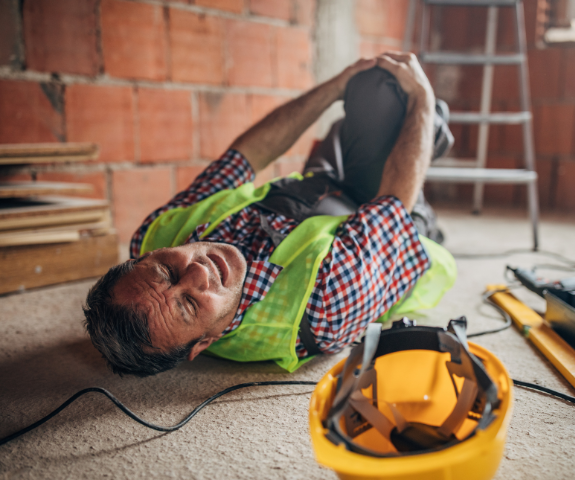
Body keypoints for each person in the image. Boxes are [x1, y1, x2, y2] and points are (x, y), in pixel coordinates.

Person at [83, 52, 456, 377]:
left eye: (167, 271)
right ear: (204, 344)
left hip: (313, 190)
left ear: (145, 257)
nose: (199, 271)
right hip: (384, 219)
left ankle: (401, 128)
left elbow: (243, 159)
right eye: (189, 303)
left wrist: (336, 86)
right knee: (386, 92)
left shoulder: (157, 233)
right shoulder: (321, 310)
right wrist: (422, 96)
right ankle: (431, 126)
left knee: (359, 88)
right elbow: (390, 206)